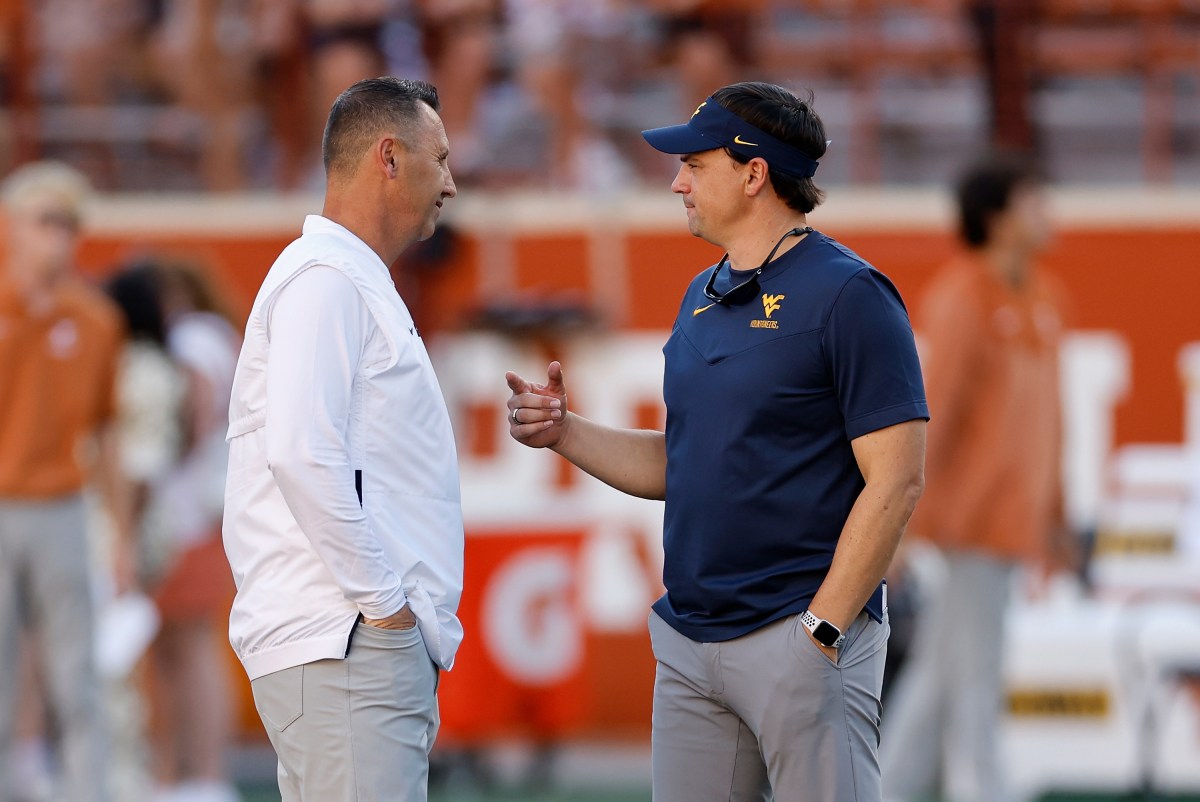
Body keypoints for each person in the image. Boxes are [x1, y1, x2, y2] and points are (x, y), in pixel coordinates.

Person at [506, 81, 928, 802]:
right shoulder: (701, 293)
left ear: (753, 172)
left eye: (695, 165)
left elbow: (897, 480)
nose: (677, 182)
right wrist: (565, 433)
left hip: (798, 637)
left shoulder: (850, 295)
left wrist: (821, 632)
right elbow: (687, 460)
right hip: (693, 646)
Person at [222, 76, 462, 802]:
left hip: (348, 641)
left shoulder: (343, 278)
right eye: (440, 158)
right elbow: (301, 453)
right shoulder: (326, 279)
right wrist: (386, 611)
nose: (450, 183)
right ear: (388, 157)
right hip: (348, 640)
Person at [879, 154, 1069, 802]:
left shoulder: (1042, 296)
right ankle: (982, 788)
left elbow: (1050, 419)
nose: (1047, 215)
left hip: (1011, 518)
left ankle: (884, 789)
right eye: (1033, 202)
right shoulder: (962, 297)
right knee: (975, 674)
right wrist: (904, 520)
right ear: (997, 218)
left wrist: (1057, 513)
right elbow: (936, 410)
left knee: (943, 672)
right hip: (971, 520)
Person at [0, 161, 132, 802]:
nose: (57, 236)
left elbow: (106, 431)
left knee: (75, 671)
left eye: (66, 223)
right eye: (44, 221)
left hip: (59, 504)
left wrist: (124, 534)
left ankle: (88, 791)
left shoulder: (96, 320)